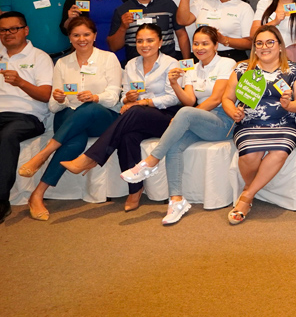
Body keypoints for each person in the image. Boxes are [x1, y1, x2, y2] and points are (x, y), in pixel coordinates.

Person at [118, 26, 237, 225]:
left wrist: (187, 115)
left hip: (223, 122)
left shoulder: (226, 63)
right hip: (199, 119)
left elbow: (216, 99)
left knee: (185, 113)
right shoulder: (191, 68)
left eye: (205, 43)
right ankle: (176, 201)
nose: (199, 48)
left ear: (216, 45)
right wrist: (174, 83)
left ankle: (151, 162)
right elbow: (189, 100)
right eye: (196, 43)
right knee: (174, 146)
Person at [60, 24, 182, 212]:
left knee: (135, 111)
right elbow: (125, 95)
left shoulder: (171, 64)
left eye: (150, 40)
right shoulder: (131, 65)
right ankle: (135, 189)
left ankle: (91, 157)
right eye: (140, 41)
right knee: (127, 136)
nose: (144, 45)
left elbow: (173, 97)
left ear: (160, 42)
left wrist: (143, 102)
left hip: (167, 116)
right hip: (138, 115)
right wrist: (129, 99)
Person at [19, 17, 122, 221]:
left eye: (86, 34)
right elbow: (53, 106)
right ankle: (37, 194)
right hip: (69, 116)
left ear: (95, 36)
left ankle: (44, 153)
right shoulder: (62, 63)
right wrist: (60, 99)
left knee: (89, 108)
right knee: (76, 140)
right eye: (76, 35)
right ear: (70, 38)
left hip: (101, 116)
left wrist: (95, 97)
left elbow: (113, 96)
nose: (81, 39)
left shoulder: (108, 58)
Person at [222, 25, 296, 225]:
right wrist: (233, 111)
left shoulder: (294, 70)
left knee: (279, 150)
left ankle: (246, 196)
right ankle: (251, 190)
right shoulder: (242, 70)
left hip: (286, 123)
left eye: (270, 42)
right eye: (259, 43)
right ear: (254, 48)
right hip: (250, 123)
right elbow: (226, 98)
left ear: (280, 46)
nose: (264, 47)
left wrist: (289, 105)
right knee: (250, 154)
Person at [0, 12, 53, 222]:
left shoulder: (39, 57)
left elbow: (45, 95)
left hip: (28, 116)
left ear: (26, 30)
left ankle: (1, 200)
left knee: (7, 135)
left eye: (14, 28)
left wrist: (21, 82)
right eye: (3, 30)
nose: (8, 33)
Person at [108, 0, 188, 62]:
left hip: (168, 65)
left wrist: (187, 62)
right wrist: (123, 27)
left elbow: (182, 35)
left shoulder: (168, 5)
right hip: (136, 66)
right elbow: (114, 47)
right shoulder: (122, 10)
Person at [177, 0, 254, 61]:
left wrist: (224, 39)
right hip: (202, 55)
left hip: (231, 57)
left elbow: (250, 43)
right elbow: (182, 21)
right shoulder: (203, 0)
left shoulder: (244, 8)